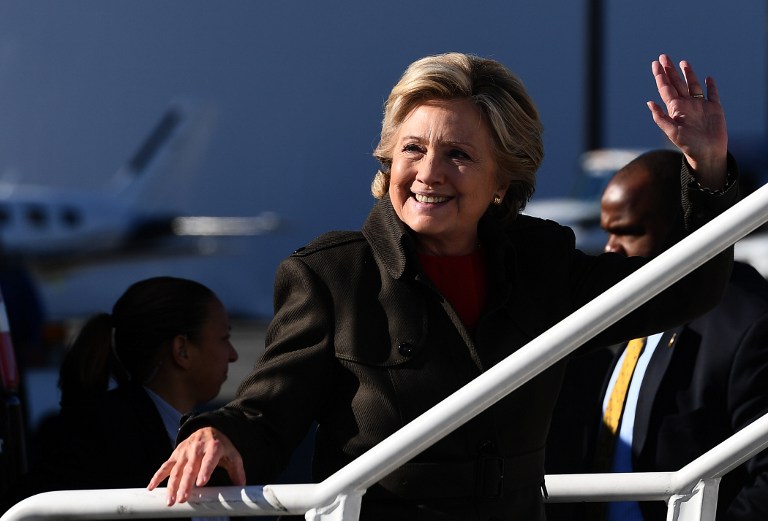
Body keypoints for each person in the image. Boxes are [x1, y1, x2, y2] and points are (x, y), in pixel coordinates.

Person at [149, 52, 738, 520]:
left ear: (503, 183)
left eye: (458, 154)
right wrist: (216, 432)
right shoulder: (332, 274)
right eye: (413, 148)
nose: (428, 173)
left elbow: (683, 292)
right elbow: (268, 410)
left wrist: (707, 169)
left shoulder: (542, 264)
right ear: (388, 161)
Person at [548, 150, 768, 520]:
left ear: (683, 225)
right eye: (607, 233)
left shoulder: (746, 323)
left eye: (628, 231)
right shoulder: (616, 314)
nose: (610, 249)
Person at [2, 276, 239, 510]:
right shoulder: (101, 438)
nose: (233, 354)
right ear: (182, 350)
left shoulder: (206, 436)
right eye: (224, 338)